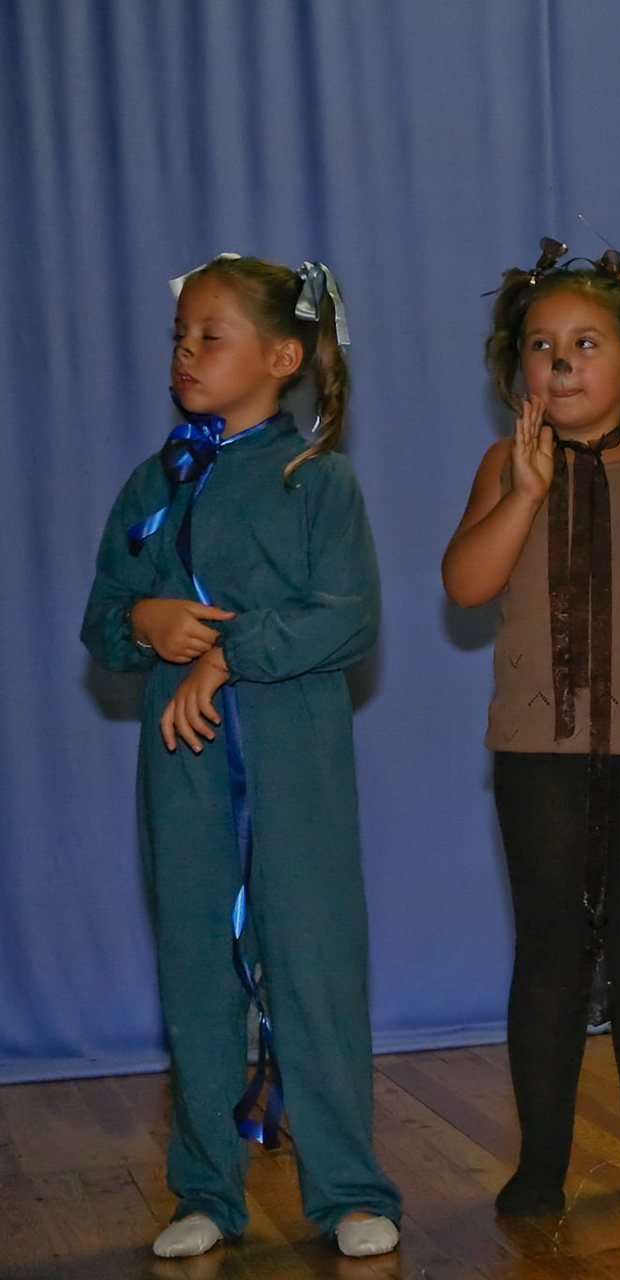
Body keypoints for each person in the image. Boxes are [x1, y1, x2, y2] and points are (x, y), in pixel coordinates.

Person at [81, 254, 401, 1258]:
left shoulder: (318, 481)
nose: (186, 350)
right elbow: (101, 618)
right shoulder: (155, 483)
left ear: (283, 355)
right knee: (196, 969)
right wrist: (144, 614)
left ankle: (349, 1186)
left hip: (295, 765)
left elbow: (347, 617)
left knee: (312, 966)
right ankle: (206, 1191)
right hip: (183, 772)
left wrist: (226, 653)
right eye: (180, 334)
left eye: (209, 334)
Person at [442, 240, 620, 1210]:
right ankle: (542, 1163)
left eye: (586, 343)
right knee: (550, 948)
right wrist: (523, 494)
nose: (560, 361)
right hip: (538, 751)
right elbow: (465, 583)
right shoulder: (502, 461)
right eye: (541, 344)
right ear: (516, 364)